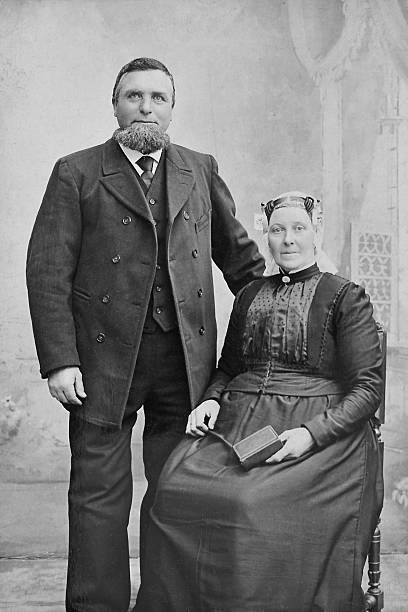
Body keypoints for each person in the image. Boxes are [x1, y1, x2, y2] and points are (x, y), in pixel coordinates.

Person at [26, 57, 265, 612]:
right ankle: (96, 605)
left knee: (176, 490)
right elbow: (46, 271)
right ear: (114, 104)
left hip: (185, 360)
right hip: (101, 361)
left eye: (158, 98)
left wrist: (288, 310)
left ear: (172, 109)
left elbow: (244, 265)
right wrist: (60, 360)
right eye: (134, 96)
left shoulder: (199, 168)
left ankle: (165, 601)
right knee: (97, 495)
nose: (146, 108)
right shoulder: (77, 171)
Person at [136, 191, 384, 612]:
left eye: (299, 229)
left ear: (315, 232)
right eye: (277, 230)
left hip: (318, 431)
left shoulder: (345, 297)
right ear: (266, 237)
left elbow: (367, 389)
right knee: (175, 486)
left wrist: (310, 434)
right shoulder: (249, 295)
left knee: (248, 502)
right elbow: (228, 366)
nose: (288, 239)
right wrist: (211, 399)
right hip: (239, 422)